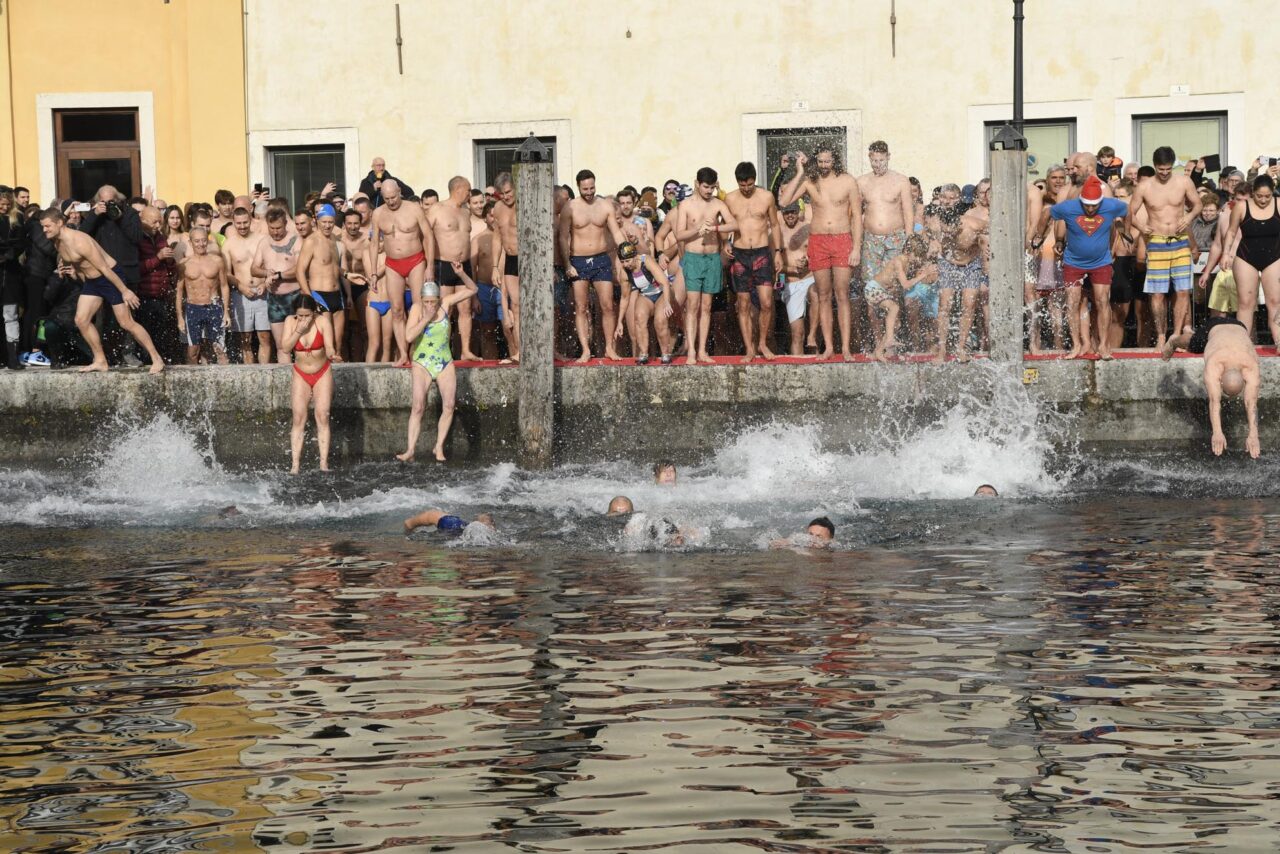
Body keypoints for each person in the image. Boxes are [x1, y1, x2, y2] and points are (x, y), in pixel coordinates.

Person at [40, 208, 164, 373]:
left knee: (126, 323)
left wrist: (125, 290)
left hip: (110, 278)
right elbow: (78, 265)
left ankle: (157, 359)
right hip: (92, 282)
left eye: (47, 226)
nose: (44, 230)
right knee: (81, 320)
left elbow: (105, 268)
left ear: (59, 223)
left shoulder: (80, 241)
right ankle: (100, 360)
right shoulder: (57, 241)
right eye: (43, 226)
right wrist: (77, 275)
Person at [780, 147, 864, 360]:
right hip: (818, 241)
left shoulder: (848, 181)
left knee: (842, 294)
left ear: (835, 161)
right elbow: (783, 201)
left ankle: (844, 348)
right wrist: (799, 172)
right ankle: (828, 347)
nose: (824, 166)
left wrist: (856, 248)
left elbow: (856, 217)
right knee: (824, 295)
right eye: (820, 161)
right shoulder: (810, 181)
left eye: (827, 161)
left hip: (842, 238)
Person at [1125, 145, 1203, 350]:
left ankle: (1176, 334)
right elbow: (1129, 213)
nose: (1165, 173)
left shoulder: (1184, 181)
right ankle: (1161, 335)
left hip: (1180, 241)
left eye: (1168, 169)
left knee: (1183, 290)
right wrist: (1141, 226)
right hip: (1158, 240)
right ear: (1154, 166)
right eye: (1161, 169)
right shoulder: (1145, 186)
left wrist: (1189, 216)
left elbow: (1198, 205)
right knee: (1157, 293)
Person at [398, 273, 476, 463]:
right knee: (418, 406)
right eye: (427, 302)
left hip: (443, 360)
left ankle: (438, 446)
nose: (430, 305)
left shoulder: (446, 303)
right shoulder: (417, 309)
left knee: (449, 405)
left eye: (433, 302)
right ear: (422, 300)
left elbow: (473, 289)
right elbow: (408, 337)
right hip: (422, 362)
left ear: (439, 299)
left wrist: (460, 274)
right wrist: (426, 318)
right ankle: (410, 450)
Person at [1050, 175, 1128, 359]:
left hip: (1101, 261)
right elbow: (1050, 214)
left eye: (1095, 205)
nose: (1091, 209)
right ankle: (1076, 345)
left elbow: (1127, 211)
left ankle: (1104, 345)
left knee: (1102, 301)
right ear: (1081, 201)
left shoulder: (1111, 205)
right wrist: (1053, 239)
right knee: (1072, 302)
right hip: (1073, 261)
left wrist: (1124, 231)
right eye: (1087, 205)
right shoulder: (1069, 207)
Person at [1161, 317, 1260, 458]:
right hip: (1214, 327)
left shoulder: (1251, 365)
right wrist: (1217, 432)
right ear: (1220, 380)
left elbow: (1251, 402)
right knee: (1193, 344)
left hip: (1240, 326)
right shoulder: (1215, 363)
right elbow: (1214, 401)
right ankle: (1173, 341)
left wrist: (1253, 434)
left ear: (1244, 379)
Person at [559, 169, 630, 362]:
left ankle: (609, 347)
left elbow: (616, 233)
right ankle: (585, 350)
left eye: (592, 188)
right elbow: (563, 237)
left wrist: (626, 254)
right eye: (585, 189)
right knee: (581, 307)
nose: (589, 192)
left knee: (607, 306)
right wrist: (567, 264)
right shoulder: (570, 207)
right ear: (578, 187)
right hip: (579, 261)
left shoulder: (605, 205)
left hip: (601, 259)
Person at [672, 167, 737, 365]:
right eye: (705, 187)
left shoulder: (718, 204)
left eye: (711, 187)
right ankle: (691, 350)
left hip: (712, 258)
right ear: (697, 184)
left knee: (707, 306)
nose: (708, 191)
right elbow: (679, 234)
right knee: (692, 305)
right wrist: (697, 230)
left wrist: (715, 228)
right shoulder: (685, 205)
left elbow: (734, 224)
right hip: (693, 258)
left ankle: (702, 351)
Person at [856, 140, 915, 353]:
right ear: (869, 158)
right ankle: (878, 340)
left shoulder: (901, 181)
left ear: (888, 157)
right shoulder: (862, 182)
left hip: (896, 238)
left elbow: (908, 212)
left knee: (894, 288)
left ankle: (893, 340)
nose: (878, 164)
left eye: (881, 160)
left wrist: (909, 241)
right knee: (871, 290)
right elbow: (855, 214)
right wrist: (856, 243)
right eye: (874, 160)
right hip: (872, 240)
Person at [369, 179, 435, 365]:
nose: (391, 201)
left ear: (400, 192)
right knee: (397, 310)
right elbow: (374, 243)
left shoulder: (413, 209)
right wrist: (374, 273)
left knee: (418, 306)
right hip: (392, 264)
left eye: (393, 197)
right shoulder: (378, 213)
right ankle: (403, 353)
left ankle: (417, 350)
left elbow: (429, 236)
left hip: (415, 260)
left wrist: (430, 266)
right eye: (387, 198)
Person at [723, 162, 782, 362]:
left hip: (761, 253)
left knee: (766, 302)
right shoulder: (730, 198)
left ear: (754, 180)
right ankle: (749, 348)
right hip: (740, 255)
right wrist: (725, 243)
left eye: (749, 184)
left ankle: (762, 343)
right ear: (737, 181)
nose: (746, 188)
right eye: (742, 185)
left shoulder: (766, 196)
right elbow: (725, 224)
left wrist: (778, 252)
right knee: (743, 304)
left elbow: (774, 224)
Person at [1220, 175, 1280, 345]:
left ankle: (1279, 342)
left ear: (1272, 193)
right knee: (1246, 303)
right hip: (1246, 258)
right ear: (1253, 193)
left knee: (1275, 302)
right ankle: (1242, 345)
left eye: (1267, 196)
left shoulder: (1279, 204)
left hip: (1274, 258)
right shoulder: (1241, 206)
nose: (1263, 200)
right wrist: (1226, 254)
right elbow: (1231, 232)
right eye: (1259, 196)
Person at [426, 177, 478, 360]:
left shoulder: (465, 212)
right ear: (458, 189)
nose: (469, 194)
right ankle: (442, 349)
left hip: (463, 266)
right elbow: (426, 236)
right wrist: (429, 265)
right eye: (468, 190)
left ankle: (465, 350)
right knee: (445, 310)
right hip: (444, 263)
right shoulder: (437, 209)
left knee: (465, 308)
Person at [282, 295, 335, 473]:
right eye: (300, 316)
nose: (303, 319)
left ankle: (323, 463)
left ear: (313, 313)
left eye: (307, 316)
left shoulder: (322, 321)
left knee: (322, 415)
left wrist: (332, 353)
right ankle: (295, 465)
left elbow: (329, 346)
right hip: (301, 373)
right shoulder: (290, 321)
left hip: (322, 372)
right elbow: (285, 348)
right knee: (298, 417)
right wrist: (298, 330)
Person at [296, 204, 348, 360]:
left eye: (330, 222)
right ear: (316, 221)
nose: (327, 225)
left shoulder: (334, 240)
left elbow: (335, 268)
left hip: (337, 295)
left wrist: (350, 275)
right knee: (327, 344)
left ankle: (337, 381)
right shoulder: (311, 241)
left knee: (338, 344)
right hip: (319, 295)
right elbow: (299, 271)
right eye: (324, 222)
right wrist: (309, 297)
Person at [251, 208, 302, 364]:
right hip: (275, 299)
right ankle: (286, 382)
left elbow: (300, 268)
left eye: (278, 228)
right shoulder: (264, 243)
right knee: (281, 346)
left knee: (299, 344)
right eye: (272, 228)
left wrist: (279, 275)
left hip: (295, 296)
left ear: (286, 224)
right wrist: (266, 273)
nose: (275, 232)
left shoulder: (297, 240)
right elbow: (253, 269)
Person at [175, 227, 231, 365]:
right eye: (197, 241)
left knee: (220, 349)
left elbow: (224, 286)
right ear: (191, 242)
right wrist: (180, 317)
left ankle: (225, 383)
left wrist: (226, 312)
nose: (201, 244)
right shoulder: (184, 264)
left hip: (214, 306)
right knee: (193, 350)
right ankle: (192, 383)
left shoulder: (217, 261)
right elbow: (179, 291)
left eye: (204, 240)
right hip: (193, 308)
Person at [223, 207, 270, 363]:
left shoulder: (262, 239)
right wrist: (240, 286)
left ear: (251, 220)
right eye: (238, 223)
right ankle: (250, 374)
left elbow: (270, 265)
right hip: (240, 294)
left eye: (245, 222)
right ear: (233, 223)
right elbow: (226, 273)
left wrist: (264, 282)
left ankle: (265, 374)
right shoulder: (229, 244)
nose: (242, 226)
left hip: (263, 293)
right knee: (245, 340)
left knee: (264, 336)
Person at [616, 240, 674, 363]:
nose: (625, 264)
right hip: (646, 295)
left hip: (662, 292)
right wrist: (619, 322)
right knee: (639, 317)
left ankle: (665, 353)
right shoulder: (624, 273)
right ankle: (644, 353)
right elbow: (625, 298)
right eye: (622, 262)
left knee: (660, 320)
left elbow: (665, 283)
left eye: (627, 261)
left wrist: (667, 302)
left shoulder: (646, 261)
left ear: (635, 257)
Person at [778, 202, 816, 356]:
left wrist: (808, 260)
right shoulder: (778, 233)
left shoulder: (808, 228)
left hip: (809, 277)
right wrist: (792, 269)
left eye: (793, 212)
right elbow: (775, 265)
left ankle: (813, 336)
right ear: (782, 213)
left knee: (816, 291)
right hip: (791, 282)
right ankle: (797, 366)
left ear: (799, 211)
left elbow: (819, 254)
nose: (790, 216)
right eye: (787, 213)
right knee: (797, 334)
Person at [491, 172, 521, 362]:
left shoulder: (525, 204)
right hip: (510, 259)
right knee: (515, 307)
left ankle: (544, 349)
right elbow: (497, 237)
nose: (506, 196)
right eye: (502, 194)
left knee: (535, 308)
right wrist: (495, 266)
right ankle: (519, 351)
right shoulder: (498, 208)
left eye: (508, 192)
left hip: (529, 259)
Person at [470, 200, 505, 360]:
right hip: (484, 288)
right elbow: (472, 270)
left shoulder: (509, 237)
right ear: (485, 218)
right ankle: (491, 364)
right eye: (491, 216)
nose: (494, 219)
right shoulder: (478, 240)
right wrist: (474, 296)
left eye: (497, 216)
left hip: (505, 287)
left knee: (508, 328)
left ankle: (513, 361)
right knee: (487, 331)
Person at [0, 190, 27, 369]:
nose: (5, 207)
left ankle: (12, 358)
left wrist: (8, 253)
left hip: (10, 274)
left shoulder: (16, 219)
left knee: (11, 315)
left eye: (8, 204)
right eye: (2, 204)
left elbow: (20, 244)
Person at [403, 508, 497, 535]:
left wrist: (409, 525)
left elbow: (431, 515)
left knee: (432, 514)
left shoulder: (455, 524)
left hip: (453, 528)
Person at [769, 516, 836, 550]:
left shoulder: (835, 549)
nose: (813, 539)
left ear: (830, 540)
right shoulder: (799, 541)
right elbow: (776, 543)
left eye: (819, 536)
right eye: (810, 534)